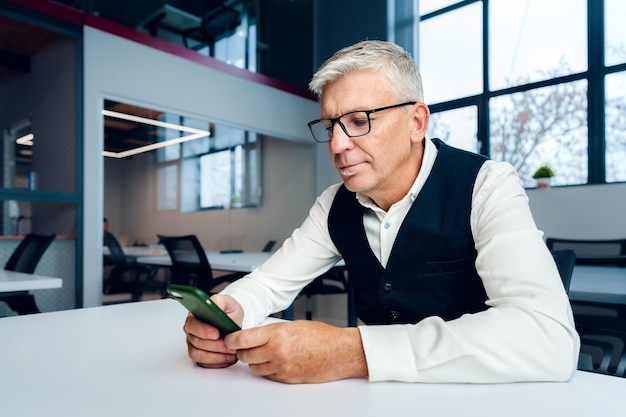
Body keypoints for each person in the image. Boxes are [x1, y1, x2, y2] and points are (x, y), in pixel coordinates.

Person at [183, 40, 579, 384]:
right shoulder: (333, 205)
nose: (337, 145)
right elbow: (267, 285)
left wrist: (350, 351)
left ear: (416, 122)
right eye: (329, 125)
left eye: (358, 121)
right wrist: (229, 310)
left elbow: (548, 337)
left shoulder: (487, 184)